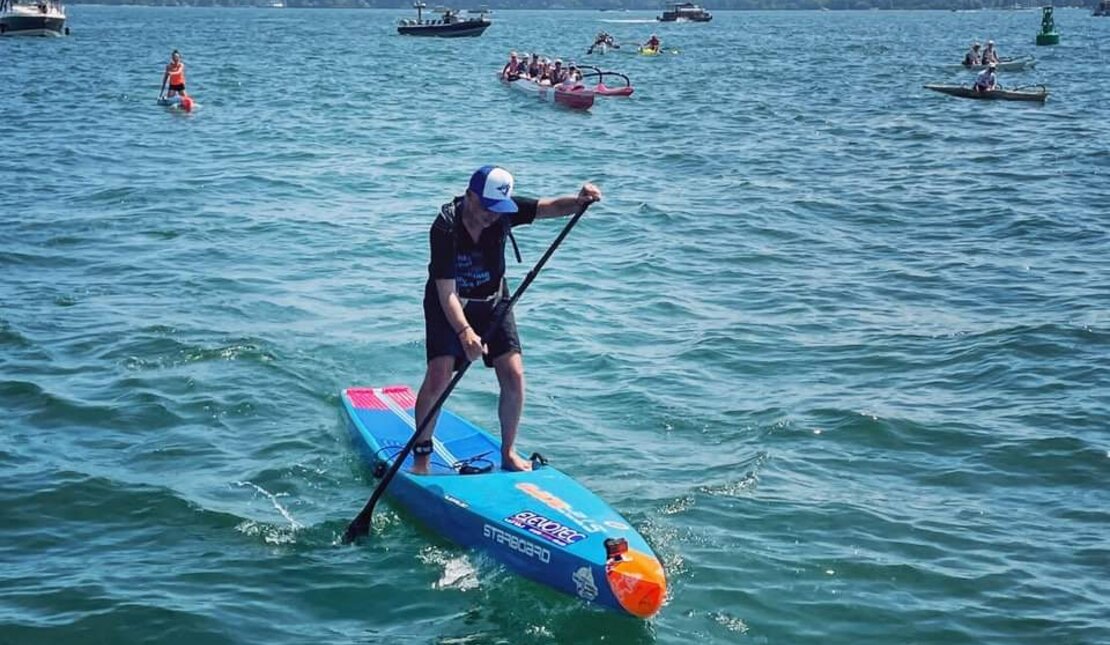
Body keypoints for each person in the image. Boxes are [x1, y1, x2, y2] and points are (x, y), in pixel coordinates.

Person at [412, 166, 602, 475]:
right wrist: (464, 332)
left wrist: (580, 201)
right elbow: (445, 291)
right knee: (439, 375)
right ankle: (421, 458)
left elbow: (550, 207)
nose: (492, 215)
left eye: (498, 209)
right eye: (487, 207)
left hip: (495, 302)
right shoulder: (445, 225)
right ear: (471, 196)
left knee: (513, 374)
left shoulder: (502, 212)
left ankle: (509, 452)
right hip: (447, 304)